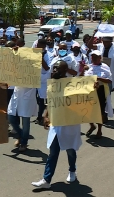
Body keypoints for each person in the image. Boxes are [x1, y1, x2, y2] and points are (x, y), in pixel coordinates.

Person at [31, 60, 87, 188]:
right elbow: (51, 102)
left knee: (70, 150)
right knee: (53, 152)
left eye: (57, 68)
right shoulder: (53, 85)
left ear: (65, 71)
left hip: (69, 124)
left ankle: (72, 170)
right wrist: (46, 116)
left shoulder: (72, 85)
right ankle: (46, 180)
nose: (54, 70)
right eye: (54, 68)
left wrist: (93, 87)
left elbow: (84, 95)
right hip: (56, 124)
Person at [84, 50, 112, 138]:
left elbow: (109, 80)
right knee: (87, 110)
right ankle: (92, 125)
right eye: (92, 57)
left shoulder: (105, 67)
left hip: (100, 91)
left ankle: (99, 130)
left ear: (100, 58)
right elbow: (82, 78)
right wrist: (82, 70)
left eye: (96, 57)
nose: (94, 58)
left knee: (100, 112)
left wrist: (98, 78)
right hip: (89, 91)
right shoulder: (88, 67)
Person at [35, 39, 51, 125]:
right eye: (37, 45)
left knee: (41, 99)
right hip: (34, 78)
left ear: (44, 46)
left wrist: (40, 57)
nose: (37, 47)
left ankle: (39, 116)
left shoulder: (48, 55)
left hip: (43, 80)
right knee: (35, 98)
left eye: (39, 45)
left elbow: (47, 68)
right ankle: (41, 112)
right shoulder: (33, 53)